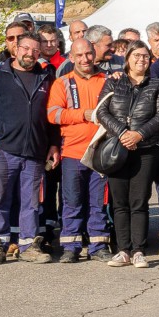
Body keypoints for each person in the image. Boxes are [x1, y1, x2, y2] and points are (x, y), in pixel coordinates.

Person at [0, 31, 57, 264]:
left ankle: (28, 245)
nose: (30, 54)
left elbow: (50, 116)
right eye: (25, 48)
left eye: (35, 50)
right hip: (3, 150)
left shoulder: (45, 77)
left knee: (31, 202)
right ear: (15, 49)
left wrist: (52, 144)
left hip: (35, 152)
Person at [96, 42, 159, 267]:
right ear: (127, 58)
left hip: (146, 150)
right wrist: (122, 133)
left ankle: (138, 250)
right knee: (119, 203)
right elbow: (101, 110)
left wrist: (138, 134)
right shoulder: (113, 81)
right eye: (137, 55)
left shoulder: (158, 85)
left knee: (139, 202)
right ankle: (123, 250)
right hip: (116, 148)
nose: (142, 60)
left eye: (146, 56)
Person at [46, 37, 112, 262]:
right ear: (71, 57)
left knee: (98, 202)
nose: (85, 59)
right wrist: (82, 114)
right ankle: (70, 246)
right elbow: (52, 114)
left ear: (94, 54)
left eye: (89, 54)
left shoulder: (107, 80)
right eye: (80, 55)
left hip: (101, 151)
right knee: (72, 201)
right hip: (73, 152)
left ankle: (98, 245)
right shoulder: (62, 82)